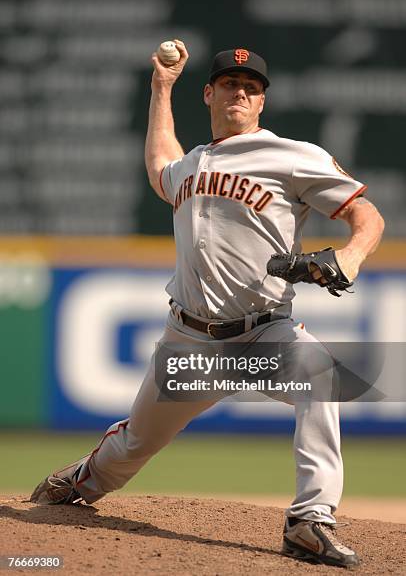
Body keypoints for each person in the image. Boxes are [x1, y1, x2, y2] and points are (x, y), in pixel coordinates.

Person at [30, 41, 384, 568]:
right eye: (229, 84)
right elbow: (159, 164)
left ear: (261, 102)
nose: (240, 92)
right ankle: (83, 478)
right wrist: (160, 87)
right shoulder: (192, 166)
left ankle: (310, 521)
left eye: (251, 87)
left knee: (323, 380)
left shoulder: (294, 155)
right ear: (209, 93)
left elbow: (367, 216)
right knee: (133, 448)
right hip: (190, 341)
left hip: (264, 333)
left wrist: (351, 258)